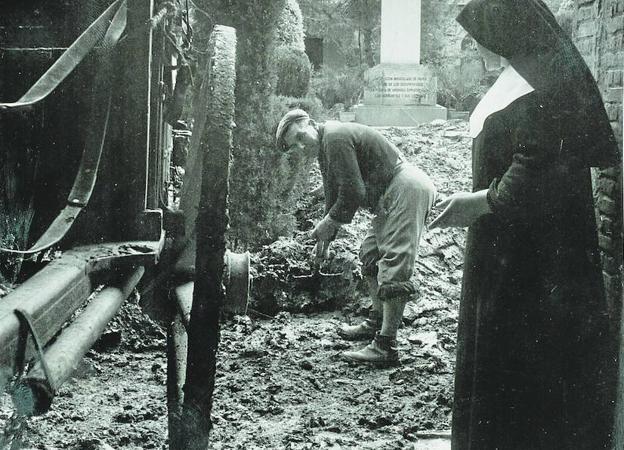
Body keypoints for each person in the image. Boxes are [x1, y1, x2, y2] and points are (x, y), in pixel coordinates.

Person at [430, 0, 620, 448]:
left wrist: (477, 203)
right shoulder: (525, 75)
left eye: (481, 35)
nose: (477, 46)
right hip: (506, 244)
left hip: (532, 257)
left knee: (521, 359)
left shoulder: (542, 82)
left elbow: (539, 166)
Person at [275, 110, 436, 366]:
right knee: (370, 254)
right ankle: (375, 322)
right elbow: (334, 193)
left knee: (394, 263)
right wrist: (324, 242)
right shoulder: (326, 147)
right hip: (389, 196)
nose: (301, 146)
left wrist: (328, 224)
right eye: (295, 146)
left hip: (405, 188)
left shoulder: (335, 137)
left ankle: (386, 346)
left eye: (300, 136)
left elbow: (353, 191)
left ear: (312, 124)